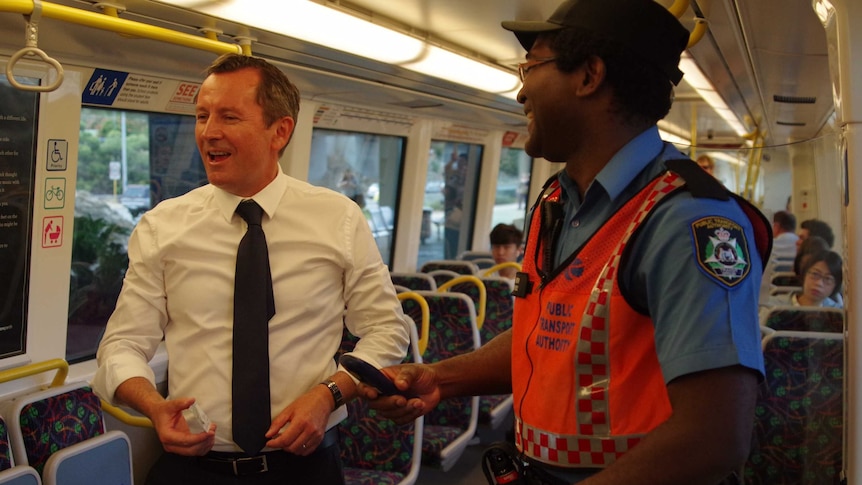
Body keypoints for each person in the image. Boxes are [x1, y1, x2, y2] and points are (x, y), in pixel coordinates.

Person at [364, 1, 772, 484]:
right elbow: (548, 339)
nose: (520, 93)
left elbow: (714, 437)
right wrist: (441, 377)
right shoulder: (558, 199)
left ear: (589, 76)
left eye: (530, 67)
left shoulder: (687, 220)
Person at [92, 53, 410, 485]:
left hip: (305, 468)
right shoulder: (162, 227)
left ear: (280, 131)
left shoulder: (338, 218)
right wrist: (152, 404)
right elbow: (122, 344)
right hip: (194, 470)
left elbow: (387, 330)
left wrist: (329, 394)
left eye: (229, 116)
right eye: (202, 115)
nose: (209, 132)